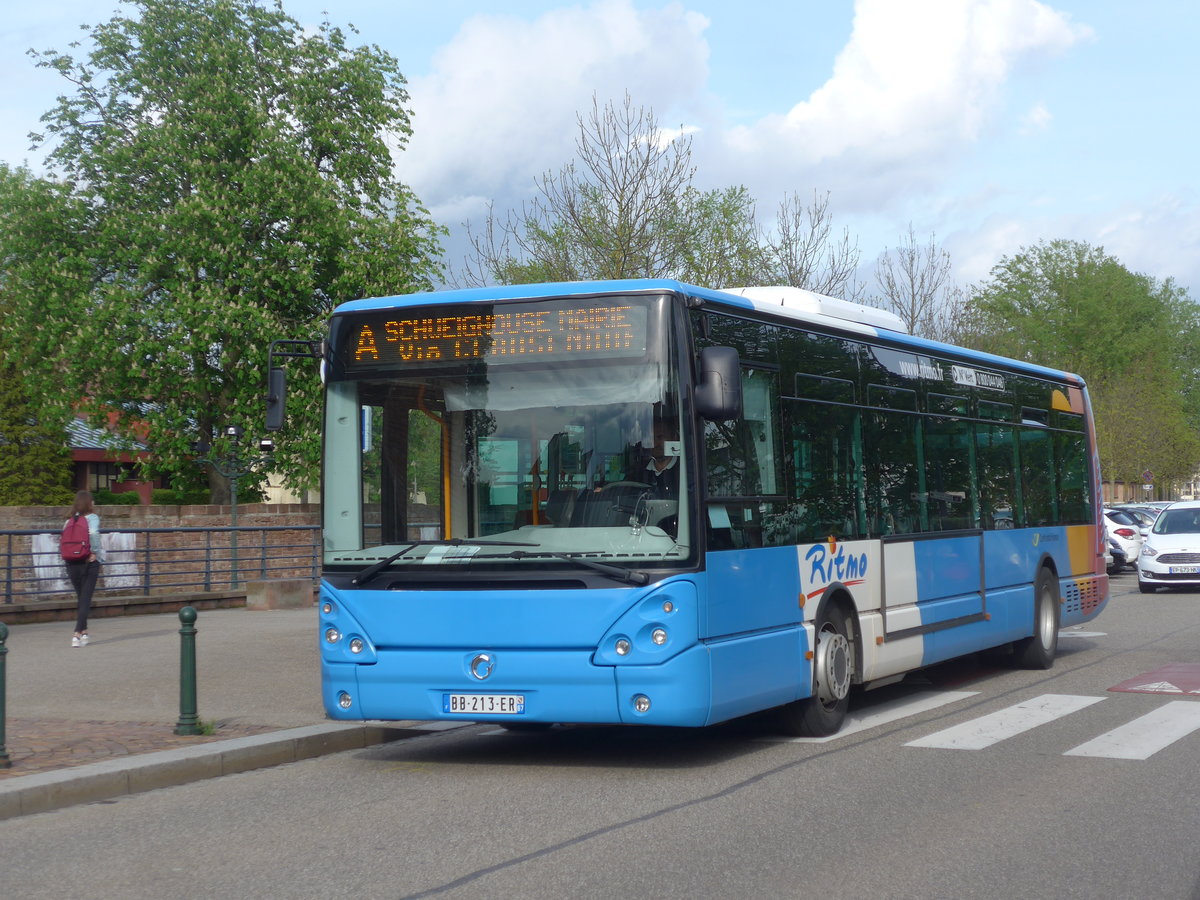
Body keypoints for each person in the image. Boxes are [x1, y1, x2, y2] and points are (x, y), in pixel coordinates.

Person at [64, 490, 102, 647]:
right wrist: (94, 551)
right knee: (86, 598)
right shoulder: (92, 518)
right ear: (89, 503)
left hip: (72, 561)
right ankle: (76, 634)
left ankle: (84, 630)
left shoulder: (69, 520)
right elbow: (93, 533)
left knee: (81, 597)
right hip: (88, 561)